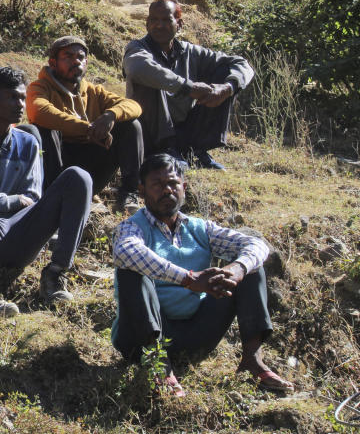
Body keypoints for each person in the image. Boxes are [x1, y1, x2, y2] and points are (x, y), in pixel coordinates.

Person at [111, 153, 294, 395]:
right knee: (131, 273)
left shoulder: (199, 228)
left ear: (184, 188)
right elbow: (127, 253)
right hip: (139, 338)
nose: (167, 190)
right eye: (157, 185)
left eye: (173, 183)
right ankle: (159, 365)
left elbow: (258, 246)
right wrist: (189, 279)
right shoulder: (131, 227)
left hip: (196, 334)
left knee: (251, 267)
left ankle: (252, 359)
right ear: (142, 191)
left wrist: (236, 270)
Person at [0, 67, 93, 315]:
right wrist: (10, 200)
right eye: (12, 97)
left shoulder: (29, 143)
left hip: (21, 232)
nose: (20, 104)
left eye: (23, 97)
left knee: (79, 177)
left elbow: (33, 198)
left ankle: (56, 274)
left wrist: (2, 203)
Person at [123, 0, 254, 170]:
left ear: (180, 24)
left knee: (225, 73)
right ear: (147, 23)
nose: (159, 25)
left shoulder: (190, 52)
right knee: (151, 78)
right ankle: (164, 151)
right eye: (154, 20)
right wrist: (187, 87)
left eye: (166, 20)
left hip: (183, 129)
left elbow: (242, 64)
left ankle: (195, 151)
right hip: (150, 134)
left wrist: (227, 88)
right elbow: (138, 69)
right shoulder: (137, 48)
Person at [27, 36, 144, 214]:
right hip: (56, 165)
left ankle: (129, 193)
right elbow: (39, 112)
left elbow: (134, 106)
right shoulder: (40, 87)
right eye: (68, 57)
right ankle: (49, 199)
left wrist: (110, 115)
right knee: (41, 131)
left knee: (130, 125)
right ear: (53, 63)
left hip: (91, 163)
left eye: (80, 57)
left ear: (87, 62)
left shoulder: (93, 91)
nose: (76, 61)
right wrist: (88, 129)